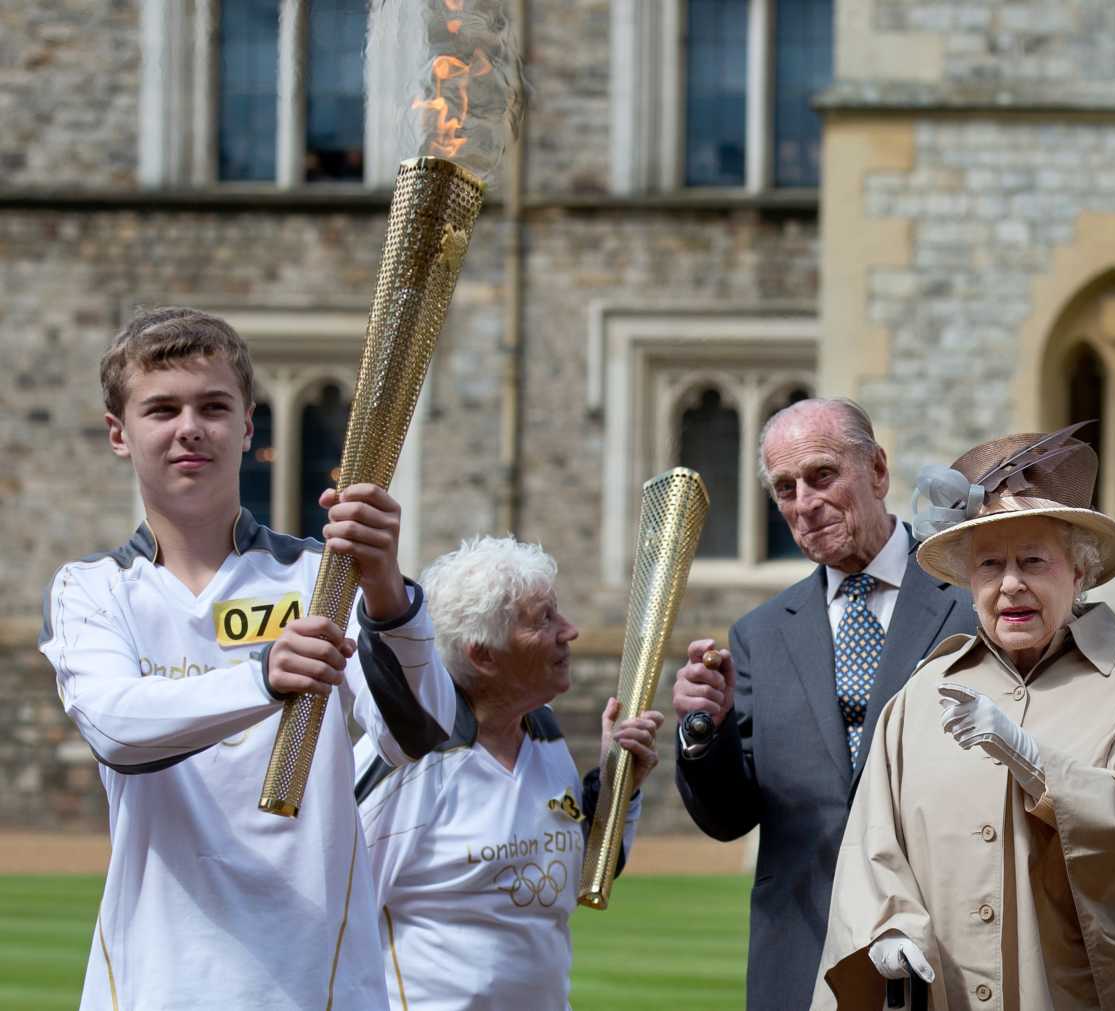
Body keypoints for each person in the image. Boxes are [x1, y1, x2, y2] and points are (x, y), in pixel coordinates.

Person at [38, 307, 457, 1009]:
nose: (190, 428)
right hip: (156, 981)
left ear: (248, 426)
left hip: (316, 980)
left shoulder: (320, 577)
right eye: (162, 409)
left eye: (213, 406)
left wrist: (386, 590)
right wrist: (262, 676)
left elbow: (420, 733)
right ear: (120, 433)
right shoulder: (94, 590)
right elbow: (116, 726)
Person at [815, 427, 1115, 1010]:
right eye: (991, 564)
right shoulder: (921, 696)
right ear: (970, 583)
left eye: (1033, 561)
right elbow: (872, 844)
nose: (1011, 584)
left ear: (1080, 573)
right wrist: (885, 927)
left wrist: (1031, 757)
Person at [672, 397, 977, 1010]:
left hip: (951, 957)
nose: (804, 503)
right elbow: (730, 817)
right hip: (804, 958)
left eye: (821, 476)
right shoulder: (759, 635)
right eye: (785, 488)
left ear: (879, 472)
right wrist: (706, 733)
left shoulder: (973, 601)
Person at [353, 534, 664, 1011]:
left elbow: (572, 877)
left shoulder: (543, 732)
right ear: (484, 655)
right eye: (544, 619)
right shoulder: (405, 760)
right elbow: (329, 909)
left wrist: (615, 786)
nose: (570, 630)